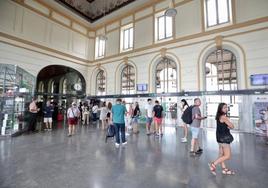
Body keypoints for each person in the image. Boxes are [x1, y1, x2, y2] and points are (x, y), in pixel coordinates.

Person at [208, 103, 235, 176]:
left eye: (226, 107)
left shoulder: (218, 116)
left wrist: (227, 125)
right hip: (224, 139)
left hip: (219, 138)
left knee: (221, 154)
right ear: (220, 109)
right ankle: (213, 164)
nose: (226, 109)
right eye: (224, 108)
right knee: (227, 155)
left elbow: (223, 126)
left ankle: (224, 169)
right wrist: (229, 125)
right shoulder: (223, 117)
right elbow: (232, 126)